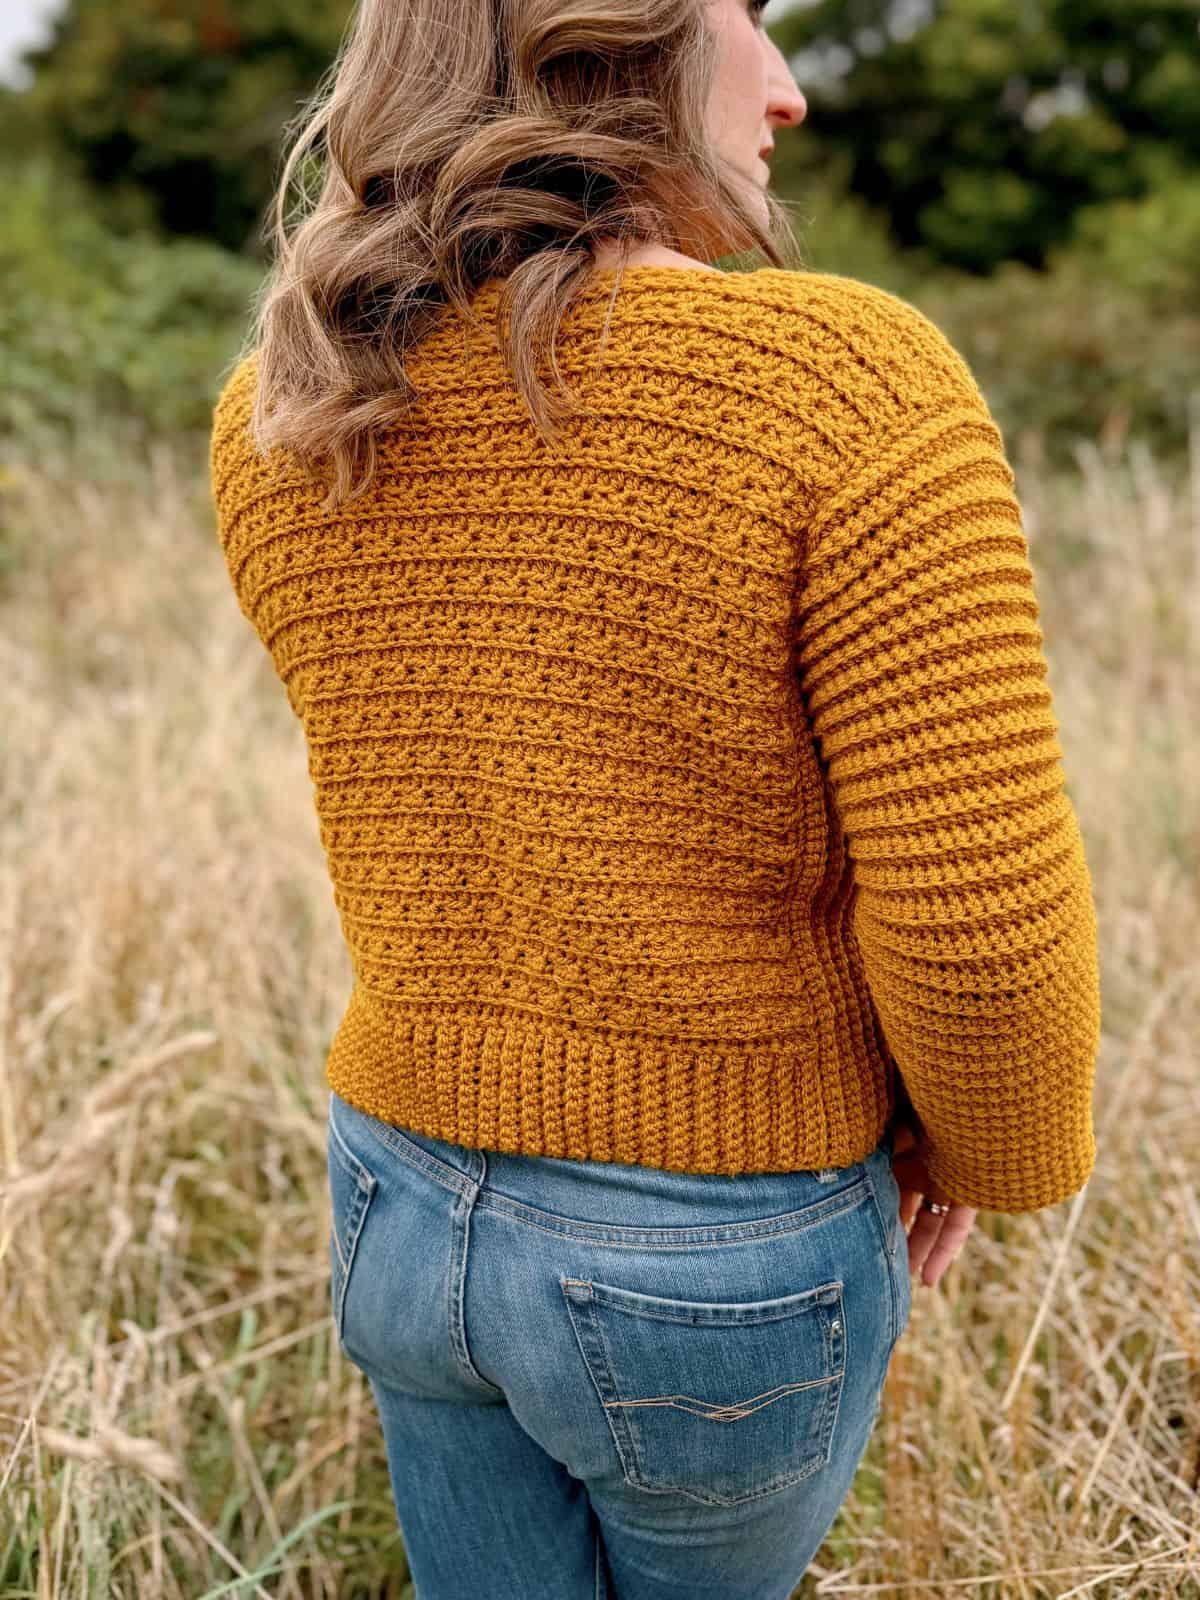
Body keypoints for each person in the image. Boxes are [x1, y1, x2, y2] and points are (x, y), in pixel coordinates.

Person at [208, 0, 1101, 1589]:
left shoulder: (289, 405)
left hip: (398, 1198)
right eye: (747, 20)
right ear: (621, 47)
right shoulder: (848, 384)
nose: (786, 92)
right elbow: (977, 920)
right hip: (716, 1254)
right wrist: (983, 1157)